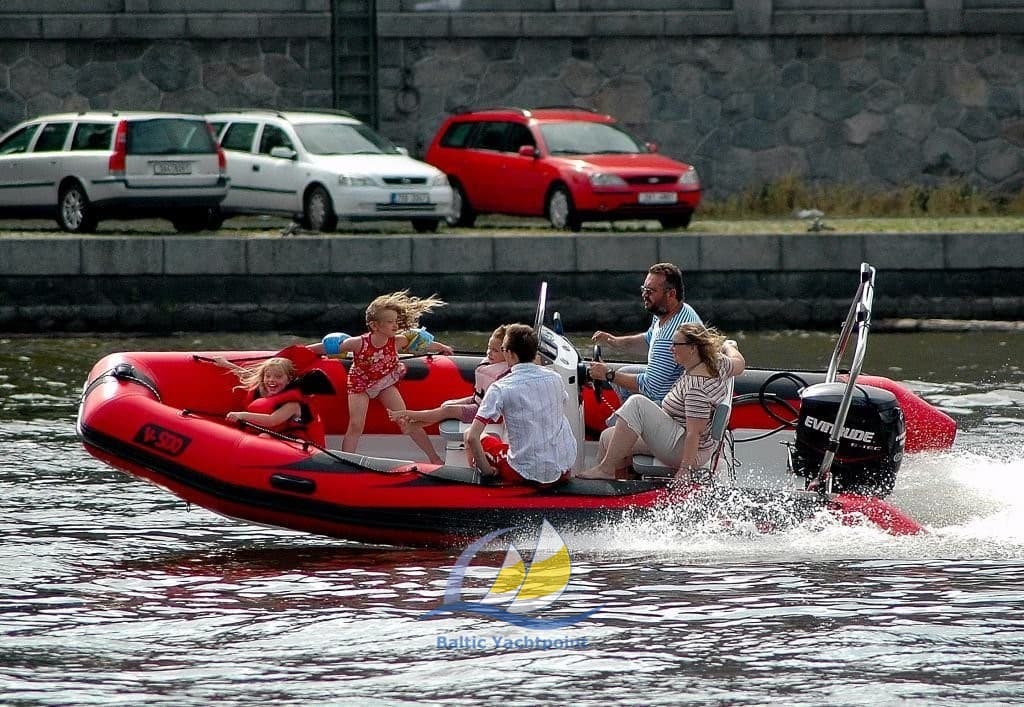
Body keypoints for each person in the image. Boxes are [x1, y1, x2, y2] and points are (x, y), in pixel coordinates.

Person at [577, 323, 745, 483]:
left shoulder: (697, 389)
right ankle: (621, 486)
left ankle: (605, 471)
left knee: (636, 404)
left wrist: (685, 470)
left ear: (693, 348)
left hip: (685, 450)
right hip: (679, 435)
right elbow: (740, 363)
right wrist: (729, 346)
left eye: (675, 344)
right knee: (608, 437)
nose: (670, 349)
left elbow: (694, 433)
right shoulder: (717, 363)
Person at [308, 290, 454, 463]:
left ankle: (434, 457)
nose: (395, 326)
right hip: (359, 385)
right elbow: (329, 347)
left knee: (405, 419)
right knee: (356, 425)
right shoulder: (358, 343)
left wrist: (442, 347)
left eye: (396, 322)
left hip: (384, 383)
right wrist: (304, 350)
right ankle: (346, 461)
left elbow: (423, 344)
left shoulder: (397, 341)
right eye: (390, 322)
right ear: (375, 325)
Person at [464, 323, 577, 485]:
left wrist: (488, 472)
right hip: (562, 468)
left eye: (503, 349)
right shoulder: (556, 378)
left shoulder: (501, 387)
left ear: (510, 354)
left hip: (524, 472)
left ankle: (481, 490)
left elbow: (472, 438)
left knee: (469, 433)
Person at [589, 262, 702, 404]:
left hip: (669, 404)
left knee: (627, 394)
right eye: (644, 289)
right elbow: (648, 340)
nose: (644, 295)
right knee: (626, 372)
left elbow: (649, 388)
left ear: (671, 294)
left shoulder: (669, 338)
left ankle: (628, 423)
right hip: (671, 389)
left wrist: (609, 374)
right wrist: (614, 341)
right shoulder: (674, 311)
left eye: (650, 291)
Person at [387, 325, 509, 429]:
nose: (489, 352)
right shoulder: (490, 363)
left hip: (486, 413)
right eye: (488, 348)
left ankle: (406, 414)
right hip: (477, 401)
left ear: (508, 353)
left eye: (495, 350)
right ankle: (415, 425)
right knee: (446, 405)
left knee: (448, 411)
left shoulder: (507, 372)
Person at [220, 356, 326, 446]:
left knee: (271, 438)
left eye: (278, 377)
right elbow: (246, 374)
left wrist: (242, 415)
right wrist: (226, 364)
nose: (271, 380)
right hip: (275, 435)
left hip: (294, 438)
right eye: (268, 376)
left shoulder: (293, 404)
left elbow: (272, 420)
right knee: (263, 436)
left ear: (289, 380)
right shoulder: (263, 389)